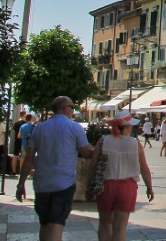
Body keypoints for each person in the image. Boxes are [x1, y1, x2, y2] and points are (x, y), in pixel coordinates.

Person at [16, 97, 94, 241]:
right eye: (72, 106)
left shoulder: (39, 128)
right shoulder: (75, 127)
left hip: (42, 183)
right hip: (64, 183)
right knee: (56, 224)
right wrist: (100, 148)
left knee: (45, 224)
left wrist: (21, 184)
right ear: (65, 109)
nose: (73, 110)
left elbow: (29, 158)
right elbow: (86, 152)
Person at [88, 109, 153, 241]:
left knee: (105, 223)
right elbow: (144, 168)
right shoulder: (135, 143)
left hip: (105, 187)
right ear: (128, 126)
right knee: (120, 228)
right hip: (127, 187)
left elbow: (93, 166)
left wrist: (89, 187)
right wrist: (149, 187)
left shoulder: (102, 141)